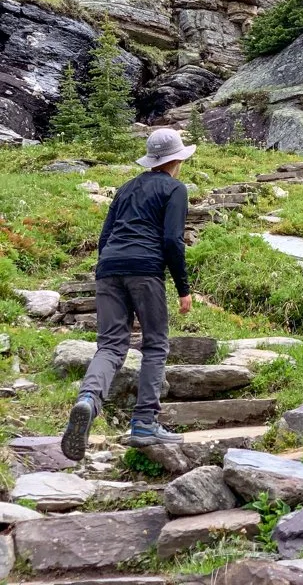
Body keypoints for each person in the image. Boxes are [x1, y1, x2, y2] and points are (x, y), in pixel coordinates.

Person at [61, 128, 196, 461]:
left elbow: (105, 236)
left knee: (110, 344)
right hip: (145, 270)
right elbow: (171, 242)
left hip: (109, 268)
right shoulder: (175, 189)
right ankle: (145, 422)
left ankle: (89, 400)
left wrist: (106, 269)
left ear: (152, 160)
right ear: (177, 159)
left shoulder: (126, 188)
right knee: (155, 343)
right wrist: (183, 288)